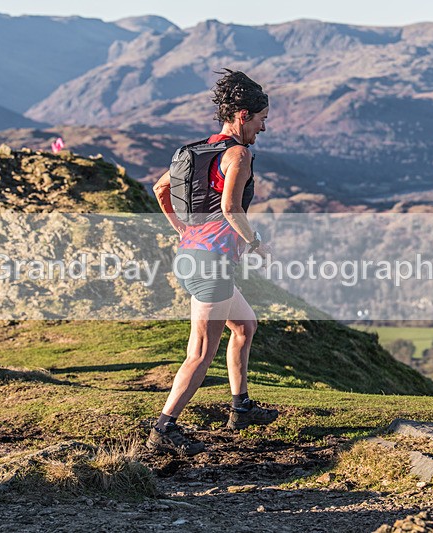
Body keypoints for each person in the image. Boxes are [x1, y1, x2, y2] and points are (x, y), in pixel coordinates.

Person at [147, 69, 278, 456]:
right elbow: (230, 206)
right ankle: (163, 429)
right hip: (210, 266)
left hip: (193, 257)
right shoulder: (239, 153)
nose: (262, 129)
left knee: (245, 325)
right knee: (200, 353)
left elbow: (160, 189)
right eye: (260, 120)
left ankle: (241, 408)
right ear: (242, 115)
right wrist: (255, 242)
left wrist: (184, 232)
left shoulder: (198, 150)